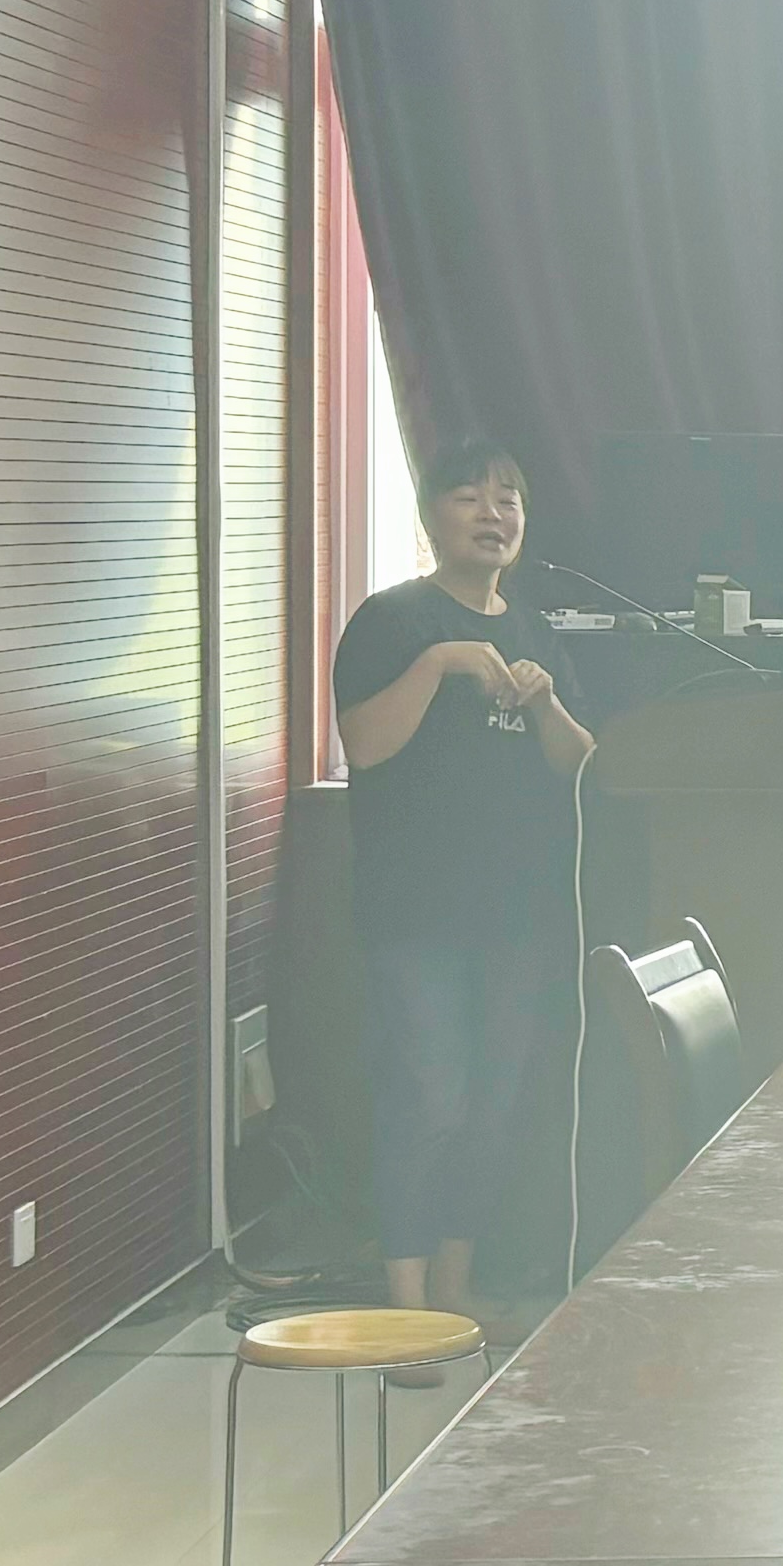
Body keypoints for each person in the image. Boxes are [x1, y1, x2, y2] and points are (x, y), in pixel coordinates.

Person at [333, 427, 595, 1317]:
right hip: (416, 913)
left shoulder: (532, 630)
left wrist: (547, 702)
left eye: (508, 498)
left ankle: (455, 1285)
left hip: (517, 913)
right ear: (430, 516)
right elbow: (366, 746)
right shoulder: (395, 620)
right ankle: (405, 1306)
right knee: (430, 1101)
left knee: (494, 1105)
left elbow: (580, 765)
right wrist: (439, 664)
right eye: (469, 496)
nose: (493, 514)